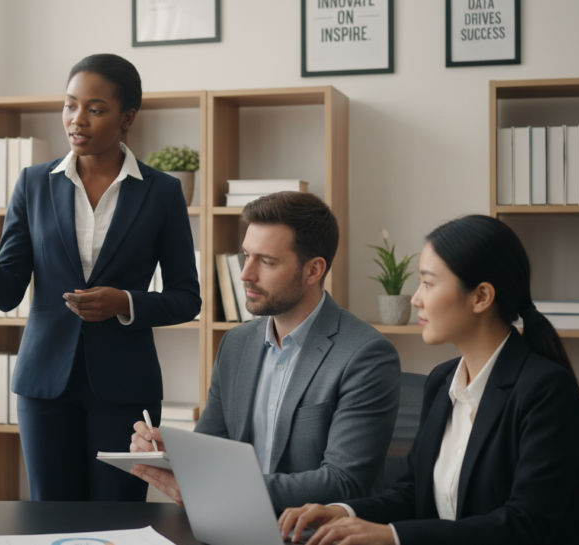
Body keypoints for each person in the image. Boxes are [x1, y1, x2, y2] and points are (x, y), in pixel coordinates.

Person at [0, 54, 201, 502]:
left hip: (123, 386)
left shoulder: (161, 191)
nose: (77, 120)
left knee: (116, 517)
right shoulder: (33, 184)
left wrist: (125, 302)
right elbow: (7, 292)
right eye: (69, 105)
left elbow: (186, 297)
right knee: (50, 516)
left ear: (127, 118)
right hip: (44, 387)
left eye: (95, 109)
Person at [278, 214, 579, 545]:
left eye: (428, 283)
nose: (416, 298)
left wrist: (392, 536)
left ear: (481, 297)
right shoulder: (443, 380)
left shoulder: (546, 391)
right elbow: (414, 492)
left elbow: (525, 524)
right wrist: (343, 511)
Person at [129, 191, 401, 512]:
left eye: (266, 261)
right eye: (246, 256)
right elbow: (213, 446)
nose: (245, 274)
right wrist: (169, 451)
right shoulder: (236, 343)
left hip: (314, 533)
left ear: (313, 270)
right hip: (230, 524)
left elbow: (344, 481)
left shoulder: (365, 355)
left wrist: (217, 490)